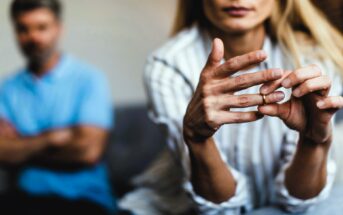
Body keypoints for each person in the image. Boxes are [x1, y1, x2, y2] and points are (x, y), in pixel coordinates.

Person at [119, 0, 343, 214]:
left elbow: (299, 203)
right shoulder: (167, 65)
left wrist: (313, 142)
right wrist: (197, 139)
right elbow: (219, 209)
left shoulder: (315, 59)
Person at [0, 0, 116, 214]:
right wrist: (51, 139)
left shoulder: (89, 79)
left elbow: (88, 151)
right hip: (24, 199)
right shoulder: (7, 88)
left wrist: (21, 147)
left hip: (84, 200)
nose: (33, 37)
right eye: (23, 29)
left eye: (42, 27)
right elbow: (2, 151)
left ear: (59, 29)